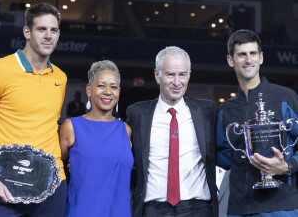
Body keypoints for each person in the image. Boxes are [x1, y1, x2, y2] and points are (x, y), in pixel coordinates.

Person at [127, 46, 218, 217]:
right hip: (153, 209)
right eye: (170, 74)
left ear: (189, 75)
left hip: (198, 209)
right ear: (157, 75)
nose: (177, 82)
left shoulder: (207, 111)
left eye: (182, 74)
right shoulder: (137, 113)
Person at [216, 29, 298, 216]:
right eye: (242, 54)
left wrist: (287, 166)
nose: (248, 60)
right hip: (239, 208)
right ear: (231, 60)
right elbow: (224, 157)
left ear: (261, 58)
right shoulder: (227, 108)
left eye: (253, 53)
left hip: (281, 207)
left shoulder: (285, 96)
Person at [0, 3, 67, 216]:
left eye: (53, 30)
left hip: (52, 186)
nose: (48, 36)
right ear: (27, 32)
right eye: (41, 29)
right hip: (7, 186)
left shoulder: (60, 78)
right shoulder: (2, 69)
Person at [59, 60, 133, 217]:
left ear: (119, 91)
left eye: (113, 87)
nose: (108, 91)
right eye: (101, 85)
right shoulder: (71, 127)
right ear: (89, 89)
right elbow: (50, 169)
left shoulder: (125, 131)